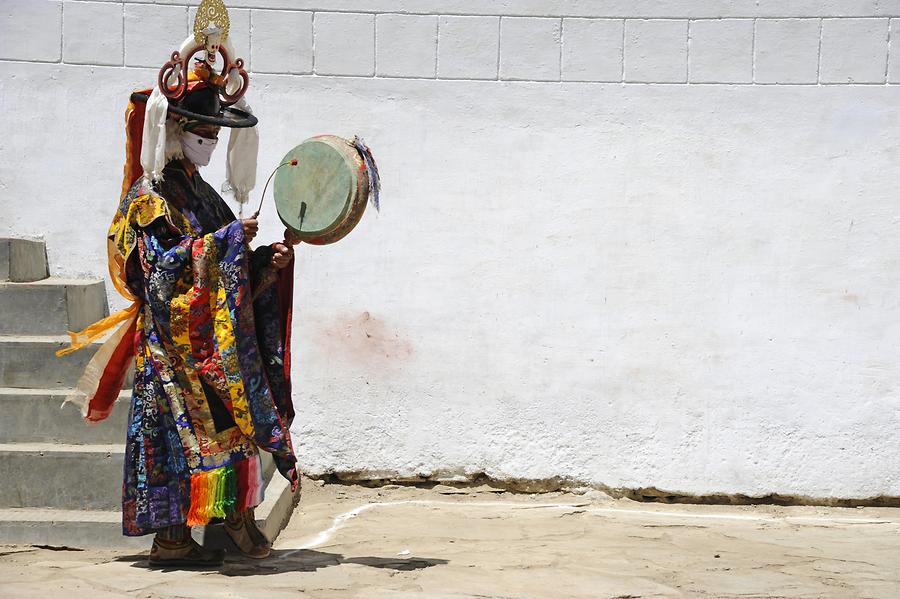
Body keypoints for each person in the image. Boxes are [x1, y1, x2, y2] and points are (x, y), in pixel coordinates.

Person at [57, 1, 300, 568]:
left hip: (209, 342)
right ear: (177, 130)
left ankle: (227, 525)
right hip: (173, 350)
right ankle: (175, 536)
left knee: (227, 430)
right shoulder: (149, 199)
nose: (211, 141)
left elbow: (221, 261)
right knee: (187, 439)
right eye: (202, 130)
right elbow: (158, 274)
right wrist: (230, 245)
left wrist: (265, 262)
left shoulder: (205, 194)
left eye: (216, 132)